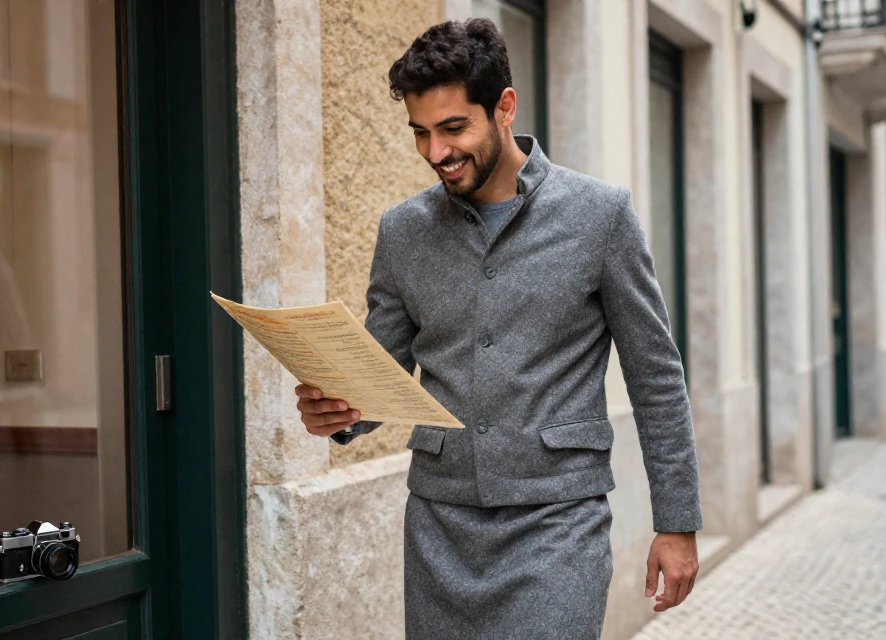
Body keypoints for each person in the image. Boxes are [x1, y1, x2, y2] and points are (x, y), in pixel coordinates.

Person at [293, 20, 701, 639]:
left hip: (557, 523)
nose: (437, 153)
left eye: (454, 128)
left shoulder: (600, 216)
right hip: (439, 527)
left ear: (504, 107)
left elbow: (657, 377)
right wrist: (342, 411)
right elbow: (383, 369)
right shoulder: (402, 232)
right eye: (421, 133)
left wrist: (676, 522)